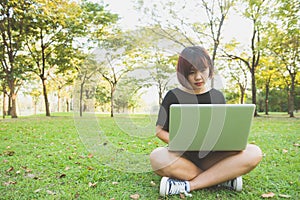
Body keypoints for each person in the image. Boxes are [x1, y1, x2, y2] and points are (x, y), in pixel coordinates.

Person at [150, 46, 263, 197]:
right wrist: (181, 142)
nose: (198, 77)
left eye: (202, 70)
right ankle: (222, 178)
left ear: (210, 69)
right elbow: (159, 130)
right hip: (183, 157)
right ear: (183, 74)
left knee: (254, 152)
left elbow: (223, 130)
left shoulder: (217, 97)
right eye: (191, 72)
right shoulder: (173, 96)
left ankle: (189, 185)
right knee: (157, 157)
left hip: (212, 157)